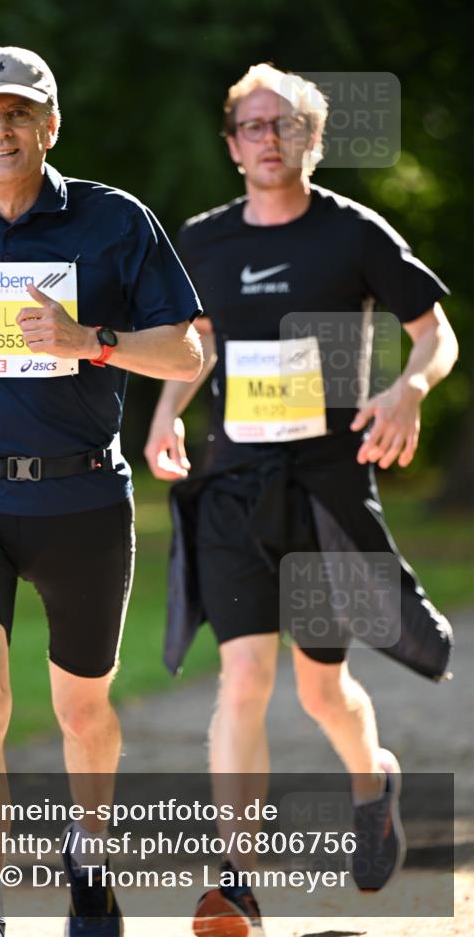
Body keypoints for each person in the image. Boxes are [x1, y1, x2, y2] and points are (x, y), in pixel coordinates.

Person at [0, 45, 203, 937]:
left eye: (18, 113)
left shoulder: (115, 222)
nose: (1, 129)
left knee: (80, 707)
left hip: (82, 500)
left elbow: (185, 350)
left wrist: (89, 342)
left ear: (49, 125)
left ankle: (90, 864)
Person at [144, 62, 458, 935]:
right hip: (231, 488)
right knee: (241, 677)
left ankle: (373, 779)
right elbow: (191, 345)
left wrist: (408, 391)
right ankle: (233, 878)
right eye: (252, 126)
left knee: (322, 690)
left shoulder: (352, 234)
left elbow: (434, 332)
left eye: (285, 126)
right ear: (233, 144)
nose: (268, 140)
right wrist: (167, 415)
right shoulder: (202, 243)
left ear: (312, 141)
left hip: (320, 488)